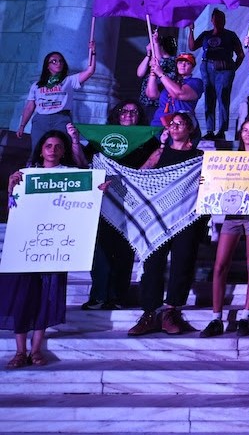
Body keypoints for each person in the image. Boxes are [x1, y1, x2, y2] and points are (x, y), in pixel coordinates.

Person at [2, 131, 76, 367]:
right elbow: (13, 210)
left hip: (54, 246)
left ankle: (35, 351)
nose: (53, 150)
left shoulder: (71, 176)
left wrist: (98, 190)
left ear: (64, 151)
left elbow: (84, 204)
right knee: (22, 298)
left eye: (58, 146)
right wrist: (11, 188)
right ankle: (19, 352)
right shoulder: (26, 175)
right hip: (25, 246)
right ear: (41, 150)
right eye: (48, 146)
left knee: (46, 297)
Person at [128, 112, 206, 336]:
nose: (175, 127)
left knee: (183, 262)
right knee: (153, 263)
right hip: (158, 217)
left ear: (190, 129)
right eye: (172, 124)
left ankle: (171, 312)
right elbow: (140, 177)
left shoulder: (199, 157)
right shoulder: (159, 153)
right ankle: (149, 313)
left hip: (187, 217)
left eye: (180, 124)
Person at [77, 102, 151, 311]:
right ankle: (98, 296)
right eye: (123, 111)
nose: (128, 115)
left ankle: (118, 297)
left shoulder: (148, 139)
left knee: (124, 250)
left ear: (140, 116)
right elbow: (83, 162)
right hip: (104, 200)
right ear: (116, 115)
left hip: (132, 202)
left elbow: (157, 162)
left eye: (133, 111)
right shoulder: (103, 136)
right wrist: (74, 141)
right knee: (100, 249)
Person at [200, 118, 249, 338]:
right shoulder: (230, 159)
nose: (248, 134)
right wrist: (207, 183)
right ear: (240, 134)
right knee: (220, 265)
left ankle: (246, 315)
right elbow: (217, 186)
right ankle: (216, 317)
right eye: (245, 130)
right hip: (232, 215)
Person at [16, 46, 97, 145]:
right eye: (54, 61)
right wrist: (22, 125)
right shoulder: (36, 85)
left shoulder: (69, 80)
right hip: (41, 119)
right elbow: (29, 107)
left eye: (60, 61)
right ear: (47, 66)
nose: (58, 63)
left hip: (61, 119)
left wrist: (93, 52)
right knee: (38, 147)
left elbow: (90, 71)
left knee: (62, 146)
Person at [188, 10, 245, 141]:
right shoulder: (206, 34)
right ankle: (209, 130)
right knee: (209, 98)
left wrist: (232, 69)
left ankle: (222, 130)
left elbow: (241, 54)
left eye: (221, 18)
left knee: (223, 98)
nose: (218, 21)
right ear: (212, 20)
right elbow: (192, 47)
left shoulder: (230, 35)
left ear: (224, 20)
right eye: (216, 18)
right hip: (207, 68)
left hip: (224, 69)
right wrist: (191, 30)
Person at [147, 52, 203, 127]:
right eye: (180, 62)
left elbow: (179, 94)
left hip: (180, 125)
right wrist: (153, 72)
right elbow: (152, 95)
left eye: (188, 63)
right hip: (159, 124)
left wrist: (160, 73)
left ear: (192, 68)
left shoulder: (196, 82)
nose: (183, 65)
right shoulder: (168, 81)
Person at [136, 32, 178, 112]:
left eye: (156, 46)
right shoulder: (153, 60)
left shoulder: (173, 61)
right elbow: (140, 73)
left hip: (159, 104)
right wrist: (148, 54)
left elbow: (159, 63)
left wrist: (155, 43)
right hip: (145, 102)